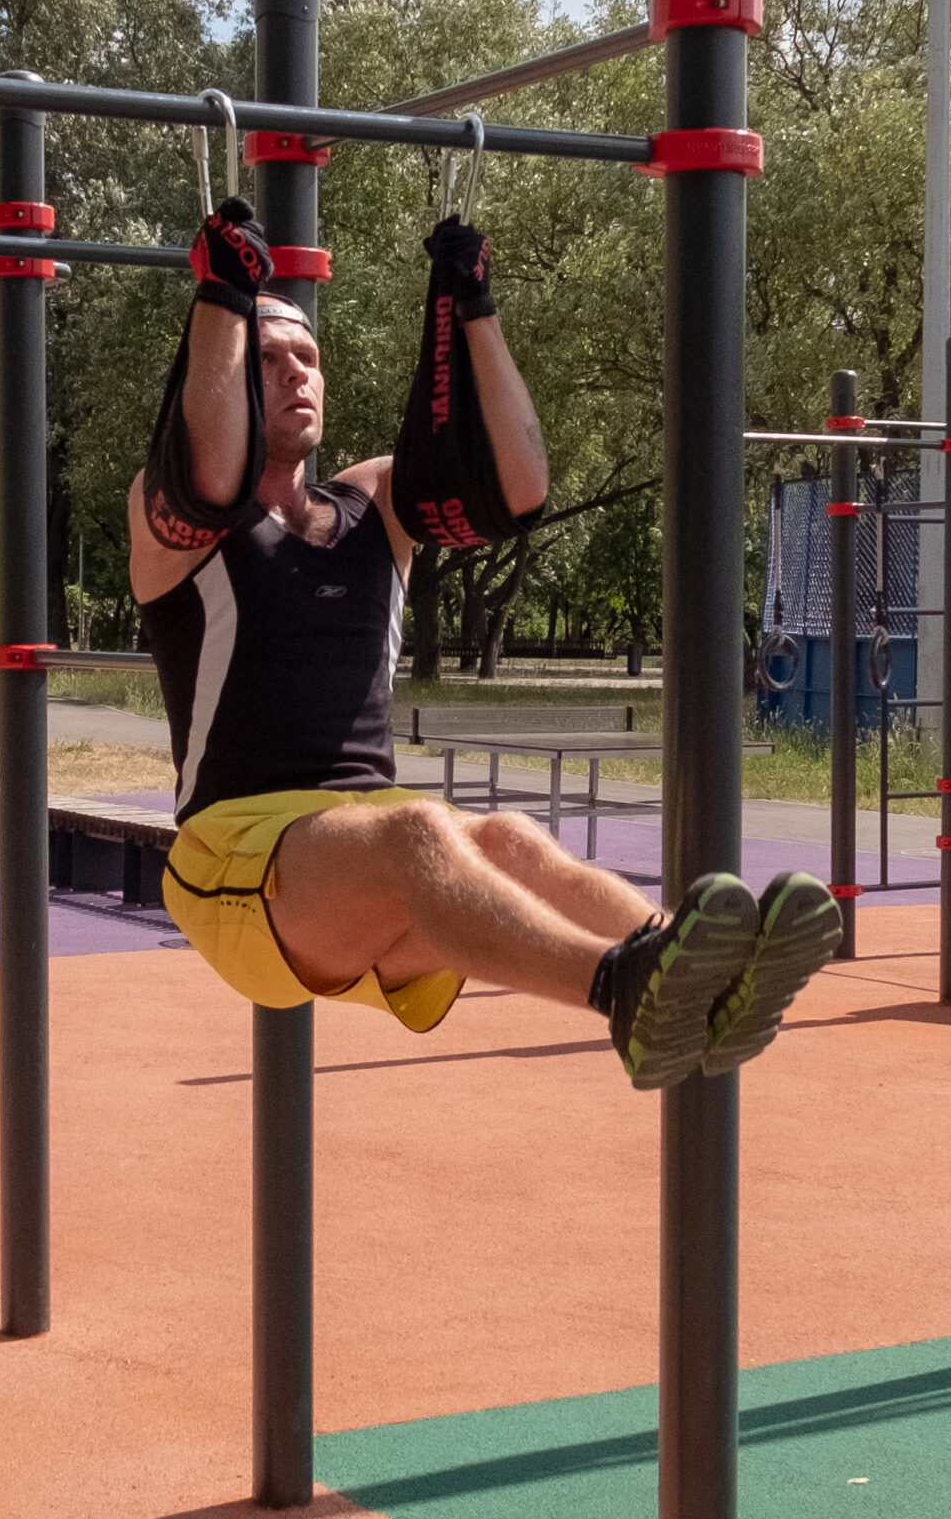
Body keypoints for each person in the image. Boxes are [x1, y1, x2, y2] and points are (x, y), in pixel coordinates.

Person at [129, 198, 840, 1088]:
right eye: (266, 359)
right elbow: (203, 470)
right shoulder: (176, 522)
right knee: (424, 828)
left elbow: (518, 485)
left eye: (306, 358)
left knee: (506, 837)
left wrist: (471, 307)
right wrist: (222, 299)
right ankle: (619, 989)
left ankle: (701, 976)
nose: (293, 375)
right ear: (228, 368)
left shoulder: (372, 503)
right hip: (237, 855)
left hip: (362, 848)